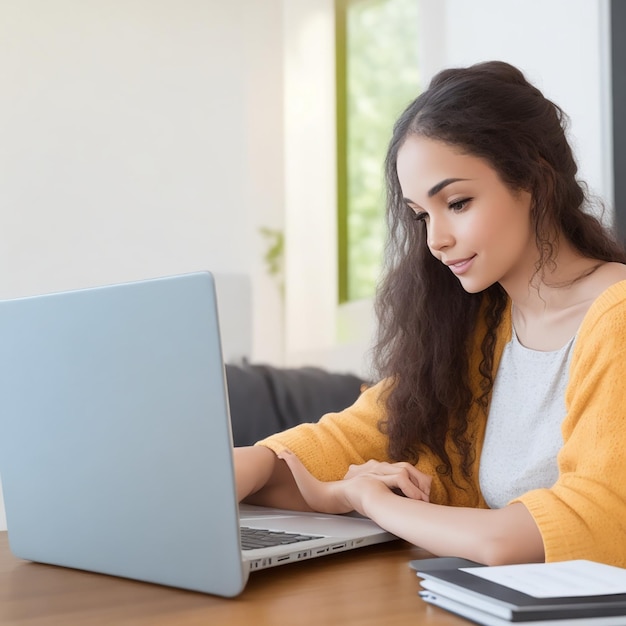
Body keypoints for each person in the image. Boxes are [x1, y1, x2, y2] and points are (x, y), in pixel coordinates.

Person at [235, 60, 626, 566]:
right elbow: (341, 444)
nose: (435, 240)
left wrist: (372, 501)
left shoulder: (615, 317)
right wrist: (296, 482)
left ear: (534, 179)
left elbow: (566, 529)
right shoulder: (480, 330)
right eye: (421, 214)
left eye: (458, 203)